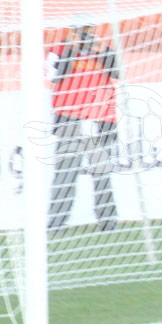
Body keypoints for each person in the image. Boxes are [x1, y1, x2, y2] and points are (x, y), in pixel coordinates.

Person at [46, 14, 120, 232]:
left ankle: (108, 222)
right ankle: (57, 223)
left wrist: (101, 50)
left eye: (89, 29)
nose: (86, 34)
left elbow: (118, 72)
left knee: (102, 173)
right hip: (70, 117)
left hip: (102, 117)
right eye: (81, 30)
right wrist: (72, 48)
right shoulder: (58, 50)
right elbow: (54, 76)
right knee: (66, 172)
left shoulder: (103, 49)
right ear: (72, 31)